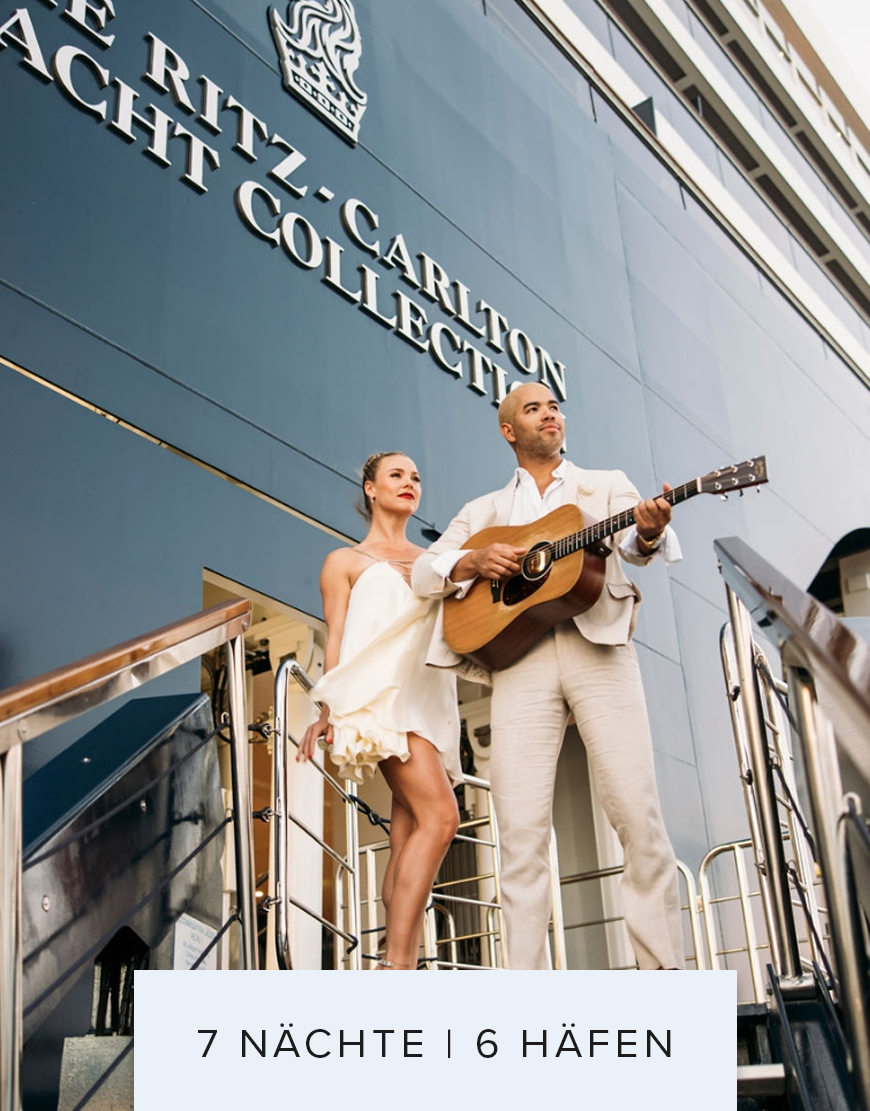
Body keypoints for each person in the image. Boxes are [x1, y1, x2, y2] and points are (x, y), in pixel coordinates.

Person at [411, 382, 685, 970]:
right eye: (533, 409)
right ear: (509, 431)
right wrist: (473, 560)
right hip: (520, 662)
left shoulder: (605, 485)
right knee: (520, 830)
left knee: (637, 812)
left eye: (554, 407)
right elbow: (424, 572)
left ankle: (665, 974)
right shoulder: (482, 512)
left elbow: (636, 547)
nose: (549, 414)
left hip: (599, 649)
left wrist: (649, 530)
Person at [299, 451, 461, 970]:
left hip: (431, 702)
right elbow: (336, 638)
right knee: (442, 817)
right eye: (396, 475)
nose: (409, 483)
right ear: (370, 488)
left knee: (409, 835)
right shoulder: (343, 561)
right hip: (379, 701)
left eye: (416, 477)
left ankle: (398, 962)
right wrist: (328, 709)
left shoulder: (435, 560)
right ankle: (397, 966)